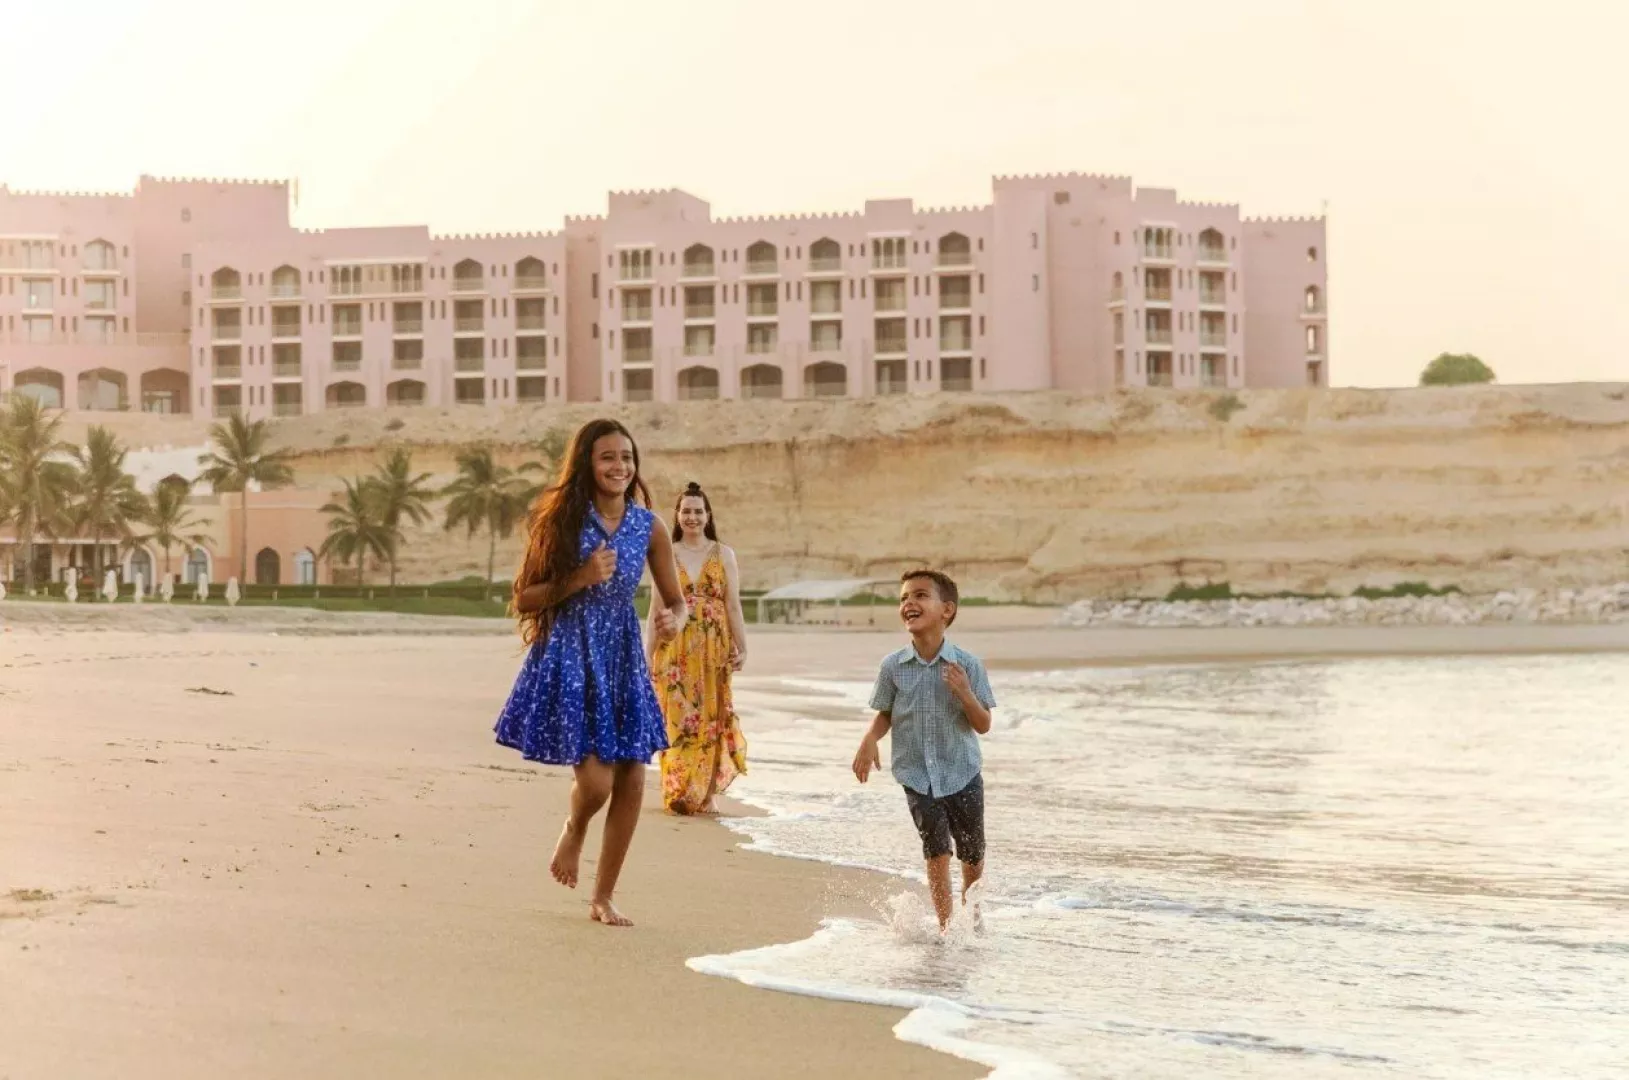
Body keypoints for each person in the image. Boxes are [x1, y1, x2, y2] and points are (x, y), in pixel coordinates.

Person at [495, 418, 689, 928]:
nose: (619, 466)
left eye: (627, 457)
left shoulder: (649, 527)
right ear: (587, 462)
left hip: (622, 656)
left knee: (633, 778)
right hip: (572, 656)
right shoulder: (560, 520)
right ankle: (575, 825)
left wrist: (674, 621)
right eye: (608, 457)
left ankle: (603, 897)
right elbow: (524, 597)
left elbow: (676, 601)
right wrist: (580, 577)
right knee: (598, 784)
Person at [852, 569, 996, 932]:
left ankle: (972, 916)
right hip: (916, 774)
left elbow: (983, 724)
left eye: (919, 595)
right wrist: (870, 738)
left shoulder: (967, 665)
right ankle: (947, 928)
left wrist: (965, 693)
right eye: (904, 598)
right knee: (936, 851)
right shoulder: (893, 666)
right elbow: (886, 713)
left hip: (962, 771)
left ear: (947, 610)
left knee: (972, 852)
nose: (908, 603)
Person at [649, 481, 749, 815]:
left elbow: (732, 605)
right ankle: (678, 788)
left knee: (712, 717)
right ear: (677, 515)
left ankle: (707, 794)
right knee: (677, 718)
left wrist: (743, 647)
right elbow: (656, 608)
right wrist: (647, 653)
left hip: (713, 651)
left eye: (698, 511)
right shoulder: (667, 553)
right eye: (686, 511)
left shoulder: (724, 554)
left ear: (708, 516)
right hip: (674, 648)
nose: (692, 517)